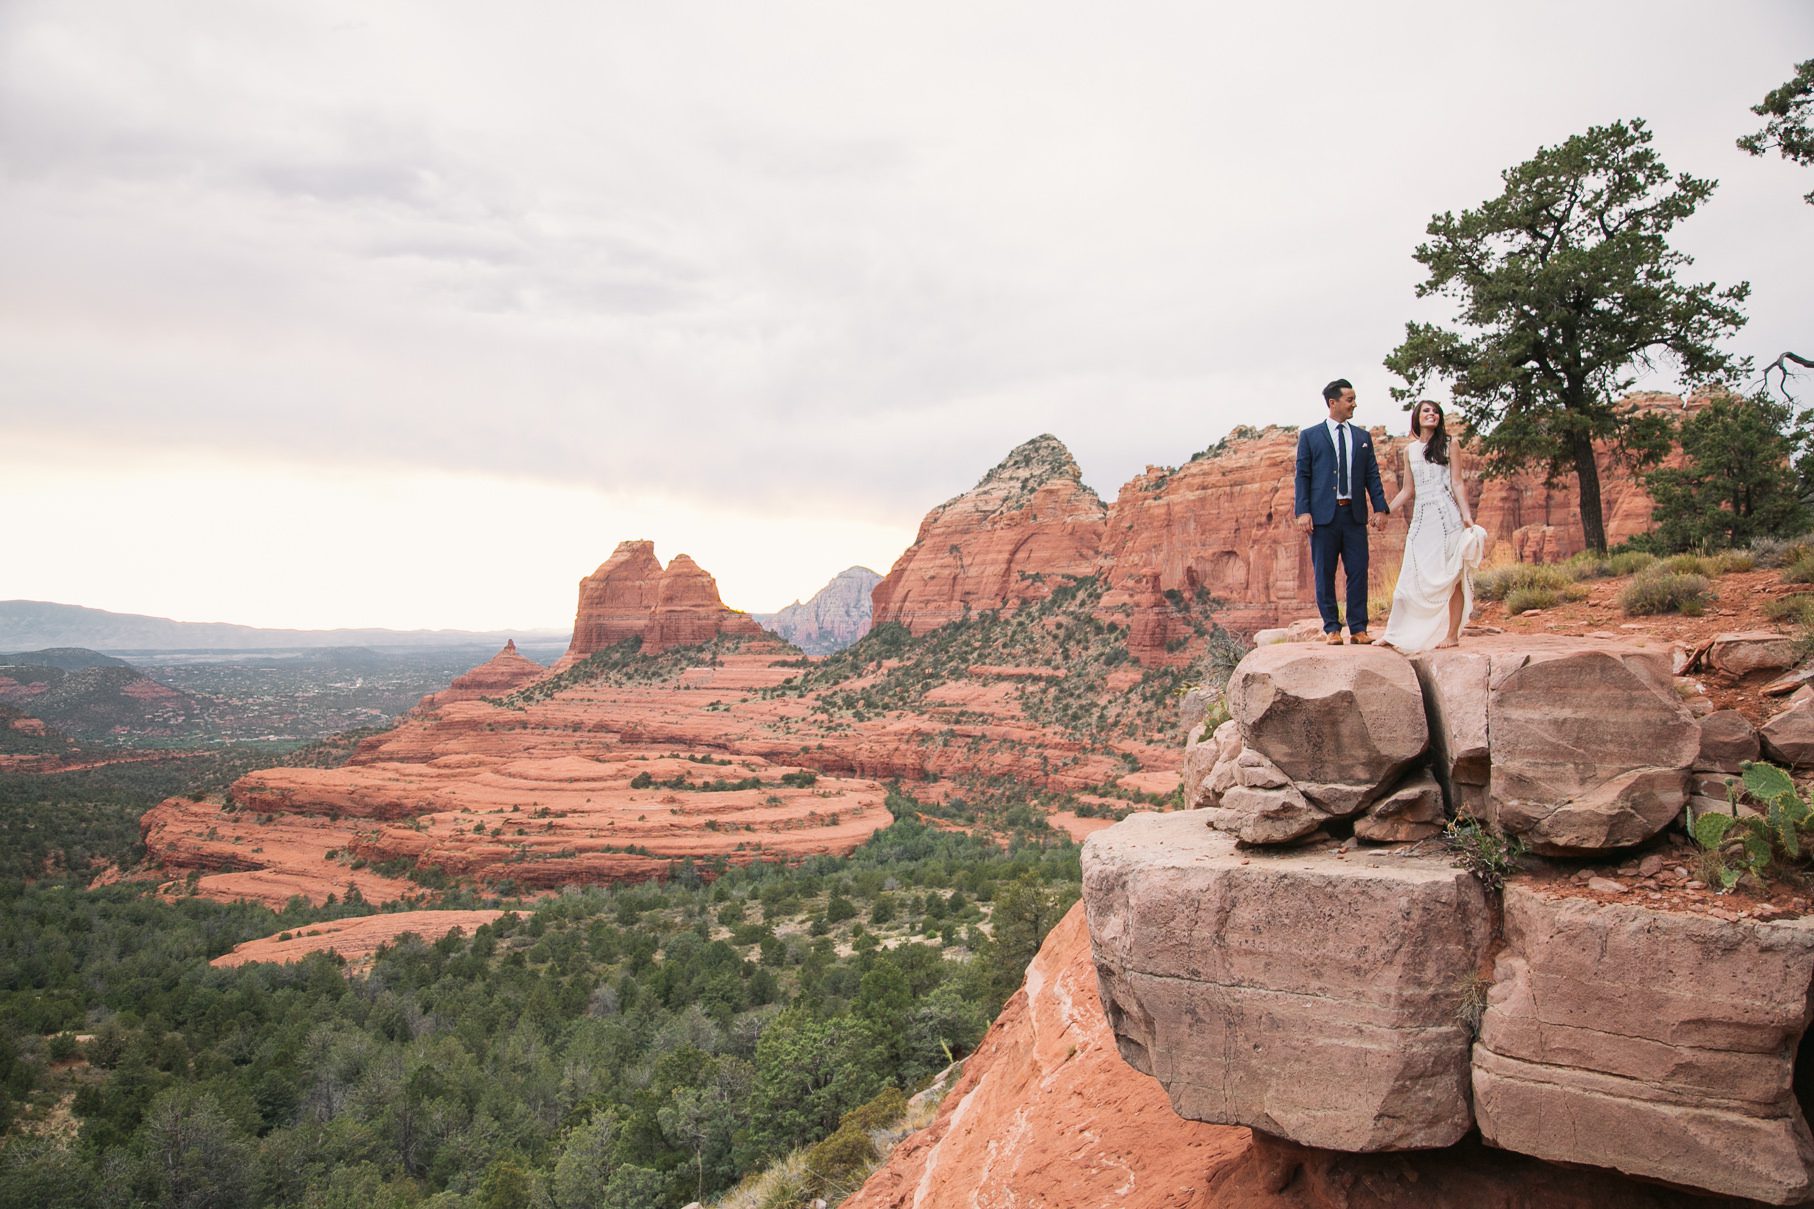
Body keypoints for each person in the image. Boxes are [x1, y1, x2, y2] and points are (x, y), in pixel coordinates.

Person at [1381, 399, 1487, 651]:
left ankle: (1451, 635)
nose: (1432, 415)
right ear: (1417, 417)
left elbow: (1458, 483)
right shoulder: (1410, 451)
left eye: (1436, 412)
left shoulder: (1450, 445)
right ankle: (1393, 634)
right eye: (1427, 411)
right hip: (1421, 521)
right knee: (1409, 576)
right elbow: (1408, 490)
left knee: (1454, 577)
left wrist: (1467, 516)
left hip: (1446, 518)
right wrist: (1384, 511)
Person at [1295, 379, 1389, 645]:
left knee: (1358, 571)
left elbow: (1372, 474)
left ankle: (1358, 628)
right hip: (1324, 517)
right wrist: (1303, 511)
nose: (1354, 404)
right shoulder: (1310, 436)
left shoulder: (1362, 437)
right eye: (1350, 399)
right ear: (1332, 402)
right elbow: (1302, 475)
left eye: (1354, 398)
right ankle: (1332, 629)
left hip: (1354, 515)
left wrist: (1380, 507)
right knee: (1324, 573)